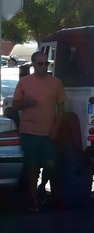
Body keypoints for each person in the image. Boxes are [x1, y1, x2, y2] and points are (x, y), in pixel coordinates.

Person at [11, 51, 67, 212]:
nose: (43, 67)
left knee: (50, 163)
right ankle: (34, 200)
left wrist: (56, 128)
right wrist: (27, 102)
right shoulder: (24, 82)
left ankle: (43, 185)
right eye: (40, 64)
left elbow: (61, 108)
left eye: (46, 64)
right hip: (29, 131)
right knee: (32, 166)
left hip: (48, 132)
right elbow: (14, 105)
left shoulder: (56, 83)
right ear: (34, 65)